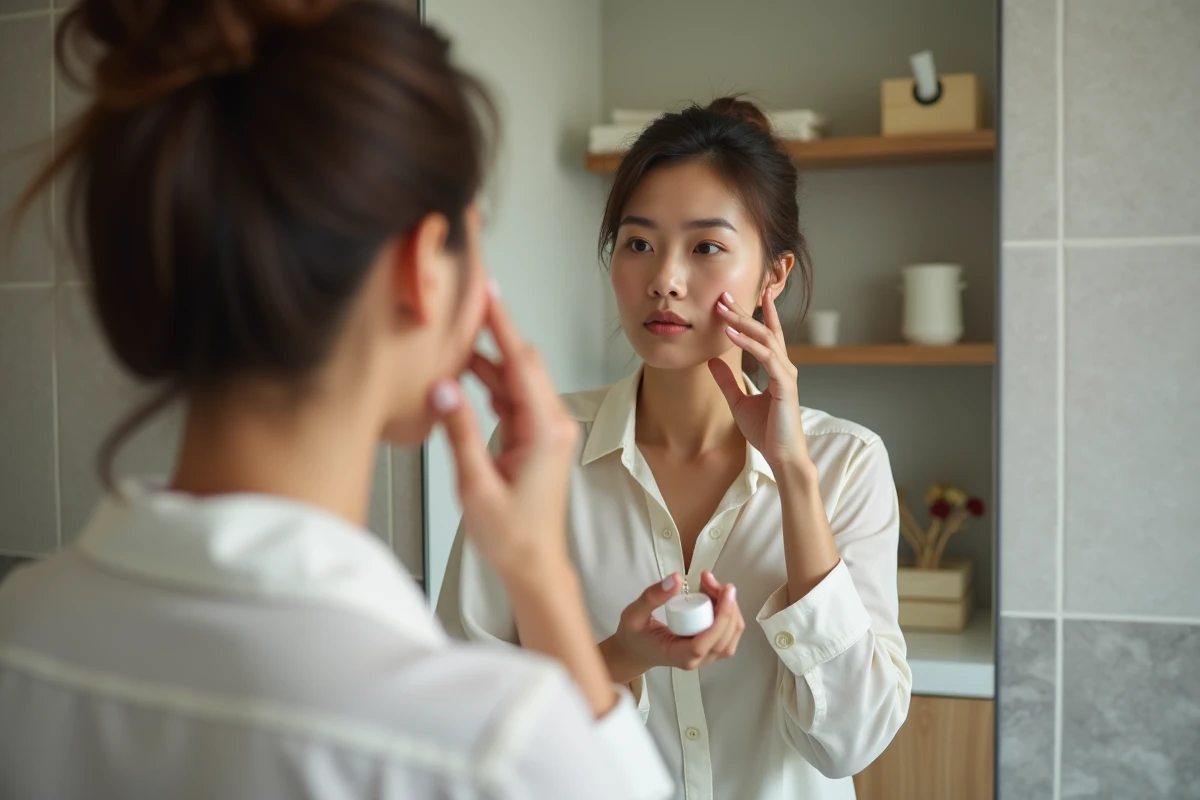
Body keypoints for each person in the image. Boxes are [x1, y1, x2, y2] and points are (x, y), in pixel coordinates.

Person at [0, 2, 673, 799]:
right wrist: (541, 572)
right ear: (424, 267)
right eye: (474, 231)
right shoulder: (491, 744)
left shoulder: (23, 630)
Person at [438, 97, 912, 800]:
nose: (664, 277)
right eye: (638, 243)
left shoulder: (846, 464)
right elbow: (471, 716)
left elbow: (848, 740)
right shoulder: (536, 446)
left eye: (706, 247)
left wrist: (792, 473)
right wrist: (619, 658)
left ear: (773, 278)